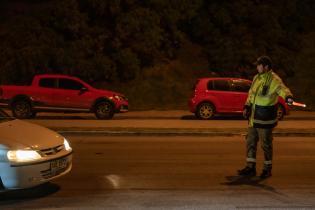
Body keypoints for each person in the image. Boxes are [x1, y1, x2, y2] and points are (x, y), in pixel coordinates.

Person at [238, 55, 294, 178]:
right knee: (250, 142)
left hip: (265, 120)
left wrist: (288, 97)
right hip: (253, 118)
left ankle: (267, 169)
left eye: (259, 65)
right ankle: (250, 167)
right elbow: (251, 94)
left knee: (266, 145)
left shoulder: (274, 79)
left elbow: (282, 90)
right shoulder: (256, 78)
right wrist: (247, 106)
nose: (257, 67)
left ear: (266, 67)